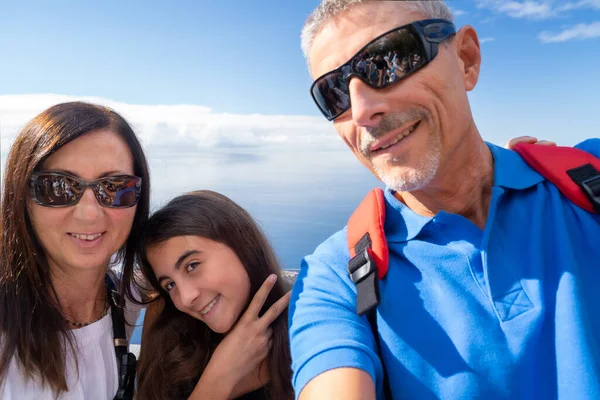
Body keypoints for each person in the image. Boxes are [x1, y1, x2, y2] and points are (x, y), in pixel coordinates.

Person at [290, 1, 600, 399]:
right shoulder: (335, 277)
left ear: (466, 59)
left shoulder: (588, 179)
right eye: (334, 94)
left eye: (387, 60)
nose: (363, 110)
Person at [0, 102, 151, 399]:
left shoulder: (124, 300)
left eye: (114, 187)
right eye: (57, 186)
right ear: (22, 199)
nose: (89, 214)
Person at [128, 191, 293, 400]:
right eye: (170, 285)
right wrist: (218, 380)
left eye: (192, 265)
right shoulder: (168, 346)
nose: (185, 298)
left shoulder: (315, 337)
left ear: (244, 246)